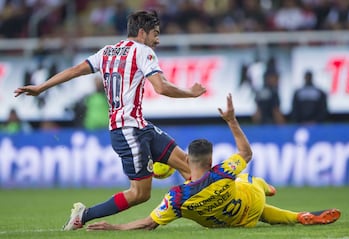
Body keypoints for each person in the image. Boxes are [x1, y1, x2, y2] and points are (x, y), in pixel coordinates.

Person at [14, 10, 206, 230]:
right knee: (140, 194)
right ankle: (83, 215)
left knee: (189, 166)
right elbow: (161, 87)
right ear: (142, 33)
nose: (158, 39)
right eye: (155, 33)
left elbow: (76, 70)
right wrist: (190, 93)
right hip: (128, 131)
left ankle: (211, 208)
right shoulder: (143, 52)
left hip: (140, 125)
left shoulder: (107, 51)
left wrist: (41, 87)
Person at [86, 94, 341, 231]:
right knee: (250, 181)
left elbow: (148, 223)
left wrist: (115, 227)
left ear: (188, 158)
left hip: (230, 221)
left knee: (254, 194)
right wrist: (231, 121)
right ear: (210, 160)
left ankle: (284, 203)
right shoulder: (223, 172)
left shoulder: (177, 198)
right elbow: (246, 153)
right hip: (249, 206)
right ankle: (293, 210)